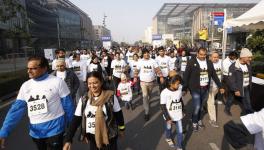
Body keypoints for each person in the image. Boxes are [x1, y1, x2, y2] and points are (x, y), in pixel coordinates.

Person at [0, 56, 74, 149]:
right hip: (36, 133)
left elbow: (68, 106)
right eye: (28, 68)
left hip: (56, 130)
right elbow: (15, 111)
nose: (29, 71)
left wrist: (71, 129)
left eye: (33, 68)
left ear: (44, 68)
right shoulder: (25, 86)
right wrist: (3, 132)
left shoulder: (57, 82)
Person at [63, 71, 125, 150]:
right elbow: (76, 119)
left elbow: (118, 114)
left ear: (101, 82)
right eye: (89, 83)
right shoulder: (84, 99)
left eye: (95, 82)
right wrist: (68, 139)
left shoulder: (110, 96)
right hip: (92, 137)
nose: (92, 86)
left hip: (109, 135)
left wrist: (122, 129)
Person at [182, 47, 224, 131]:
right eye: (201, 54)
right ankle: (194, 122)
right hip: (195, 88)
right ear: (197, 54)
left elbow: (214, 75)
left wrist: (220, 86)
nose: (202, 56)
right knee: (197, 106)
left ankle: (198, 119)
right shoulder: (191, 62)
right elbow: (186, 76)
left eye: (204, 55)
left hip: (205, 88)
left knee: (200, 106)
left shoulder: (209, 62)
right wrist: (184, 88)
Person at [134, 48, 164, 121]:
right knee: (145, 96)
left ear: (149, 54)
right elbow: (137, 70)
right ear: (143, 54)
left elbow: (157, 69)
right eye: (145, 53)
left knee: (149, 96)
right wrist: (135, 77)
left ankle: (148, 102)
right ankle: (146, 112)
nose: (146, 54)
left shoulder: (153, 61)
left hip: (151, 82)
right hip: (143, 82)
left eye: (147, 53)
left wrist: (161, 77)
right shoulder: (140, 62)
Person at [225, 48, 254, 115]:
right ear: (242, 57)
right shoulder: (233, 66)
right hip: (237, 88)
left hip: (245, 86)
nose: (250, 59)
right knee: (230, 100)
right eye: (249, 57)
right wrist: (236, 90)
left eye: (250, 57)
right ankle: (226, 109)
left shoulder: (248, 65)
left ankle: (248, 113)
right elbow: (231, 80)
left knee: (247, 101)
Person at [160, 74, 184, 150]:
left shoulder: (179, 89)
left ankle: (179, 147)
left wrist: (183, 109)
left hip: (178, 115)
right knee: (168, 128)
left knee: (180, 132)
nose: (179, 85)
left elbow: (180, 100)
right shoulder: (164, 92)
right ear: (171, 83)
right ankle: (168, 138)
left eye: (179, 83)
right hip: (169, 116)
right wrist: (167, 118)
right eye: (177, 84)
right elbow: (163, 106)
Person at [207, 51, 222, 128]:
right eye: (214, 57)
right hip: (210, 86)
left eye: (217, 57)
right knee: (211, 103)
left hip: (217, 87)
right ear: (210, 57)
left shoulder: (221, 62)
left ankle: (204, 105)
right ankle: (213, 119)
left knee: (209, 101)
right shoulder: (207, 64)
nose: (216, 58)